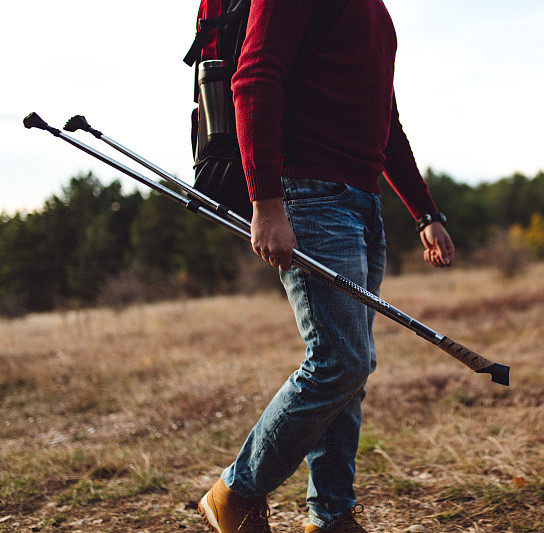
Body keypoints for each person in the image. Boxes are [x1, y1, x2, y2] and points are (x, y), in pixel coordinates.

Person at [198, 0, 455, 531]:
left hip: (362, 203)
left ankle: (332, 516)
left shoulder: (378, 14)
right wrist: (267, 202)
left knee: (348, 373)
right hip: (308, 193)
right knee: (340, 361)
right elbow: (254, 80)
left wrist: (424, 211)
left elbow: (388, 123)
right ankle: (235, 493)